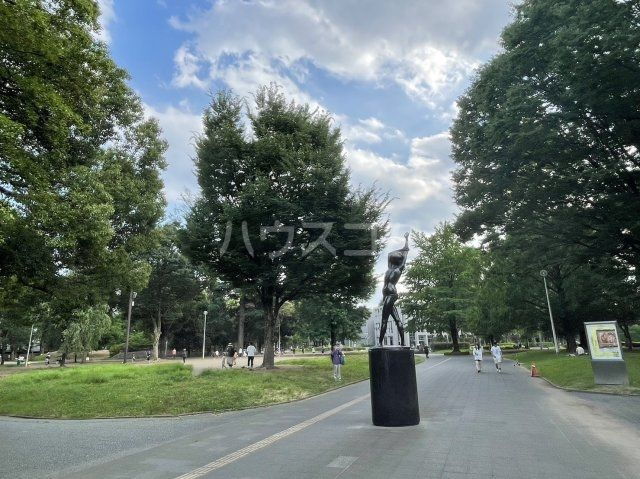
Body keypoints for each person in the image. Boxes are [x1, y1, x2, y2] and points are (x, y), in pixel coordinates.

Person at [379, 232, 410, 346]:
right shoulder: (389, 268)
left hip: (391, 295)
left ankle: (380, 343)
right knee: (397, 320)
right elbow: (390, 255)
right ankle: (403, 343)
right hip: (387, 295)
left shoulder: (399, 269)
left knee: (384, 320)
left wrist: (406, 240)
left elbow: (406, 253)